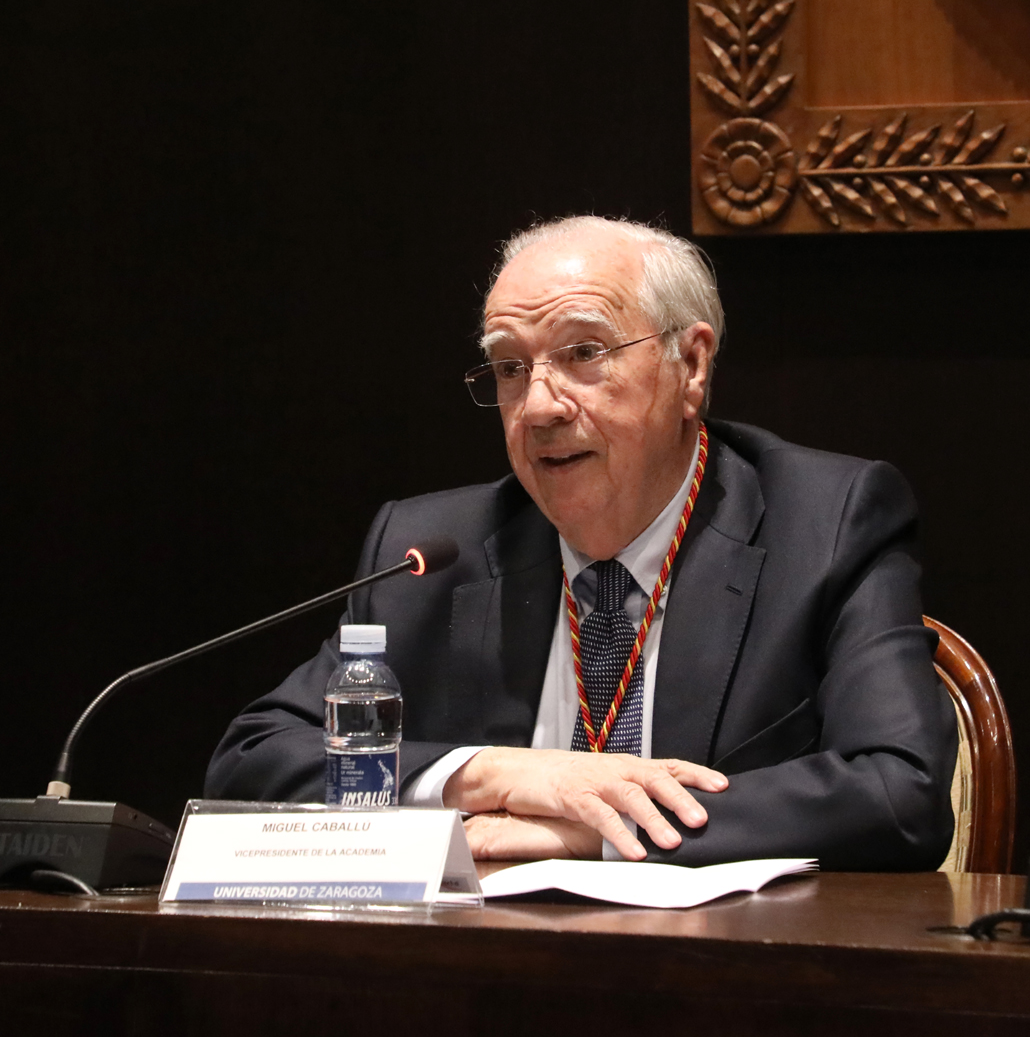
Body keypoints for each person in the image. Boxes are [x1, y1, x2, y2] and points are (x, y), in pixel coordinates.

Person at [206, 216, 956, 869]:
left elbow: (902, 791)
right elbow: (253, 759)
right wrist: (491, 774)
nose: (538, 406)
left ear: (691, 366)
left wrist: (588, 831)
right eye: (510, 367)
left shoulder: (823, 523)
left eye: (583, 353)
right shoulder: (431, 554)